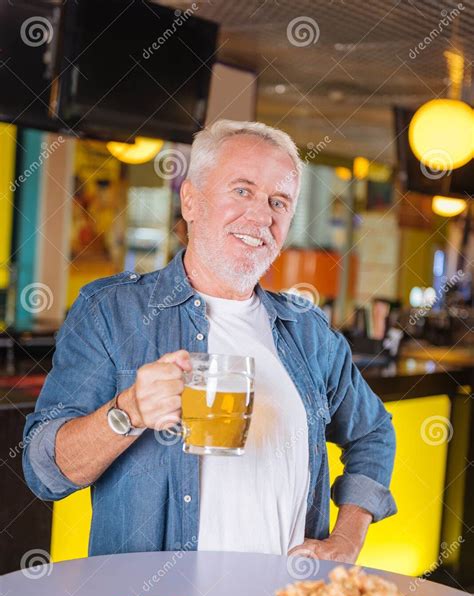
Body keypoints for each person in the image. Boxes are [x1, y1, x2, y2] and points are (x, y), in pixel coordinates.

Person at [23, 119, 396, 561]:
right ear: (192, 201)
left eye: (279, 201)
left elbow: (373, 431)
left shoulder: (307, 330)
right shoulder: (113, 312)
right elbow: (46, 472)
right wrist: (128, 412)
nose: (261, 216)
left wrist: (347, 538)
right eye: (242, 191)